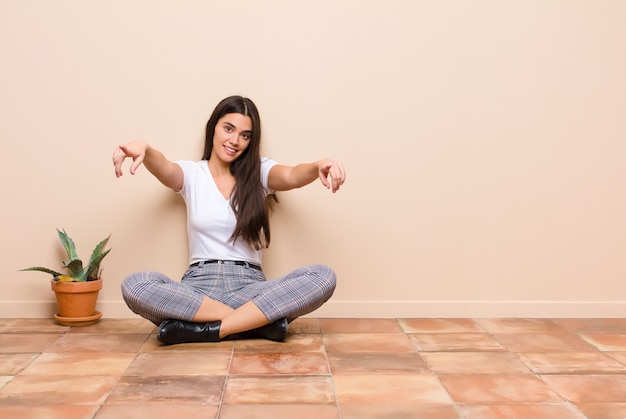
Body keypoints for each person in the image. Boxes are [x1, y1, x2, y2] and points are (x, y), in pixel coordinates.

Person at [112, 95, 346, 344]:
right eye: (228, 129)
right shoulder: (192, 174)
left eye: (245, 135)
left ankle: (209, 330)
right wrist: (144, 149)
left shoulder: (260, 171)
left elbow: (291, 175)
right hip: (199, 290)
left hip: (251, 288)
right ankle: (256, 324)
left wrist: (319, 165)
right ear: (214, 126)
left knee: (323, 277)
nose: (235, 141)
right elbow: (164, 167)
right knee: (135, 285)